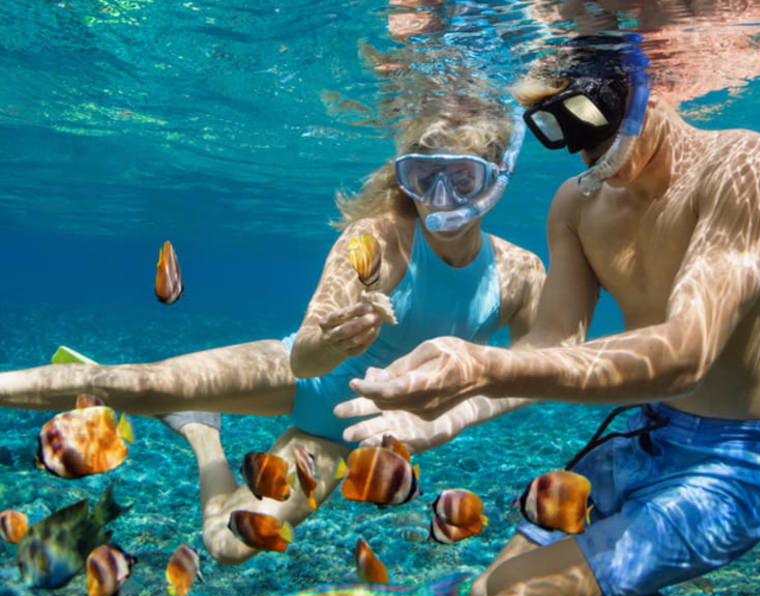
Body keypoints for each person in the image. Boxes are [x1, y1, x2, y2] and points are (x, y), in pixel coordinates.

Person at [337, 35, 760, 596]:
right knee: (489, 593)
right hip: (644, 434)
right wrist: (452, 415)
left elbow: (688, 352)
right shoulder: (577, 205)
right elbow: (553, 340)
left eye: (592, 117)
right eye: (558, 129)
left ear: (649, 87)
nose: (584, 151)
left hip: (736, 462)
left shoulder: (749, 166)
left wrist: (483, 368)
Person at [0, 94, 546, 566]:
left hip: (336, 440)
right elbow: (305, 360)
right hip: (297, 377)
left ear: (496, 178)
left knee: (228, 544)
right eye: (424, 177)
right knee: (140, 385)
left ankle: (201, 433)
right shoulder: (376, 240)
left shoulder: (519, 273)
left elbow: (541, 370)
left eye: (463, 178)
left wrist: (451, 415)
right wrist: (328, 342)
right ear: (406, 176)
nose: (440, 199)